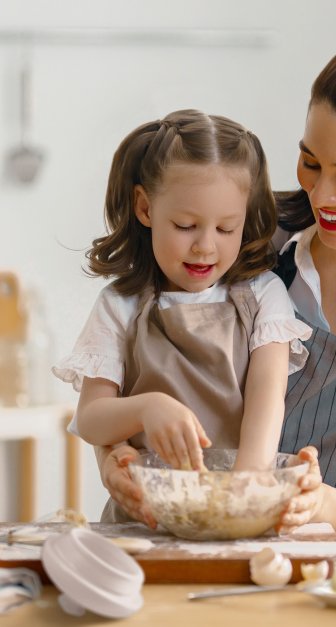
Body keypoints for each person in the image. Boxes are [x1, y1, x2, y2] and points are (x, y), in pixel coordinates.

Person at [96, 13, 336, 540]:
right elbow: (137, 364)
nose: (322, 195)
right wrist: (113, 461)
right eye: (310, 162)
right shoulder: (248, 253)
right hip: (187, 544)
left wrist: (324, 502)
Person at [53, 109, 311, 521]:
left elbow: (267, 403)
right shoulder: (120, 305)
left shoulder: (264, 297)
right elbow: (90, 420)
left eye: (227, 229)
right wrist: (146, 408)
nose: (205, 247)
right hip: (142, 519)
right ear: (145, 208)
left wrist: (243, 494)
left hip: (233, 510)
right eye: (186, 225)